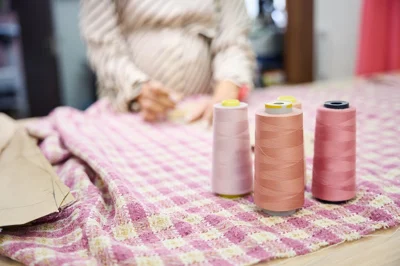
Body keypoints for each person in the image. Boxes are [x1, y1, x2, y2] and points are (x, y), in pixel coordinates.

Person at [80, 0, 255, 123]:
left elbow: (235, 37)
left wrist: (227, 89)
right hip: (131, 112)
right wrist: (136, 88)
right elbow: (101, 42)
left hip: (205, 112)